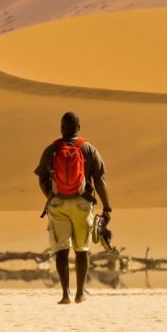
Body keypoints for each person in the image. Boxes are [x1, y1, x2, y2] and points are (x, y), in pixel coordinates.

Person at [34, 111, 111, 304]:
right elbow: (100, 180)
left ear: (61, 127)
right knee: (82, 249)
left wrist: (51, 196)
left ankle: (65, 294)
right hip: (82, 204)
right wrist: (107, 207)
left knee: (61, 249)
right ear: (79, 128)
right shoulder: (88, 149)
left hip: (58, 204)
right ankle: (80, 293)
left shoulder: (51, 150)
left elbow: (42, 178)